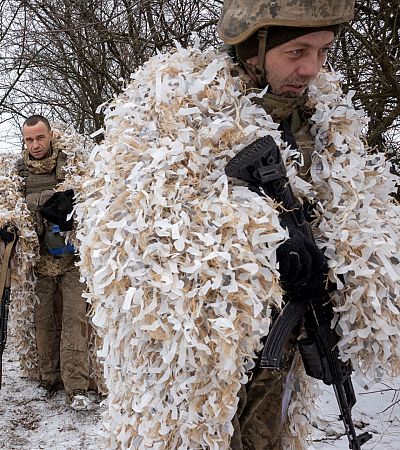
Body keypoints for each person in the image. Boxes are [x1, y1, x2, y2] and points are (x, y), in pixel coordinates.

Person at [78, 0, 400, 448]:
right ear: (253, 47)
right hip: (201, 354)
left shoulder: (323, 120)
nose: (312, 68)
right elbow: (138, 231)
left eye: (323, 51)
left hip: (286, 341)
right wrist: (264, 245)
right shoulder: (175, 108)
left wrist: (336, 261)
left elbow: (358, 207)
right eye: (297, 51)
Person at [16, 115, 91, 410]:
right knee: (43, 322)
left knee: (75, 320)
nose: (35, 145)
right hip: (39, 261)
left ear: (50, 135)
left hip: (72, 259)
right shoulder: (17, 173)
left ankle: (77, 386)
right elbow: (5, 209)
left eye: (40, 138)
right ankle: (49, 377)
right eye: (29, 140)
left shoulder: (71, 164)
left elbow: (90, 196)